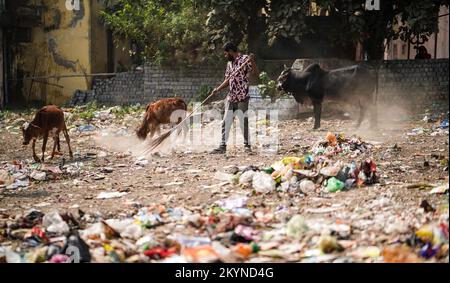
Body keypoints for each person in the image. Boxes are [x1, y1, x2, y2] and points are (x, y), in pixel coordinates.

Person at [210, 42, 258, 154]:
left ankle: (247, 146)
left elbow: (256, 73)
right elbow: (228, 80)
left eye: (226, 53)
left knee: (243, 121)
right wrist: (218, 89)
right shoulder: (229, 64)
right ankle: (222, 146)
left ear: (231, 51)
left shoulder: (245, 59)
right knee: (226, 121)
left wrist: (252, 61)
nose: (225, 56)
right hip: (231, 97)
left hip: (242, 96)